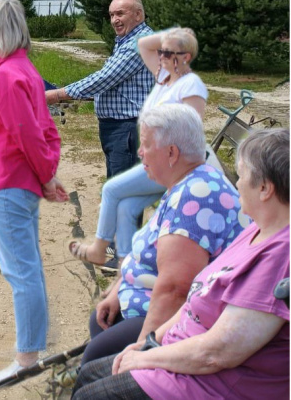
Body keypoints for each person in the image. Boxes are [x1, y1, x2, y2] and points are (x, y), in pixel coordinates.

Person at [72, 128, 289, 400]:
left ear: (265, 188)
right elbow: (195, 297)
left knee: (90, 394)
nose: (237, 183)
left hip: (214, 383)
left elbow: (216, 353)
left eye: (242, 175)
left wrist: (147, 358)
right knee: (88, 374)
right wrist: (148, 344)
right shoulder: (258, 228)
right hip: (185, 351)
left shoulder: (279, 258)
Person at [79, 103, 248, 366]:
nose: (139, 152)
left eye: (146, 145)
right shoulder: (188, 181)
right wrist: (118, 291)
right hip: (150, 303)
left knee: (94, 358)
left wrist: (145, 350)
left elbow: (175, 289)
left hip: (183, 320)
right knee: (101, 327)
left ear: (171, 153)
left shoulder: (197, 196)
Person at [0, 0, 68, 385]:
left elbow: (28, 133)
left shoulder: (8, 75)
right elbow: (44, 128)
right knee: (29, 268)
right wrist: (47, 174)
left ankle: (26, 359)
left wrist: (46, 176)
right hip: (16, 181)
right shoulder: (20, 68)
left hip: (9, 183)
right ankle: (33, 348)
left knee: (21, 272)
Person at [68, 28, 209, 266]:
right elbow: (143, 43)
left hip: (175, 166)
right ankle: (126, 263)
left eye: (168, 53)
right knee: (126, 206)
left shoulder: (190, 85)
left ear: (184, 57)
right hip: (156, 159)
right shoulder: (165, 79)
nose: (160, 56)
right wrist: (173, 34)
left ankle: (98, 250)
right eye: (161, 51)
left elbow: (191, 132)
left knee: (112, 190)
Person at [45, 0, 154, 179]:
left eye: (120, 14)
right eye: (111, 15)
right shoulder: (128, 40)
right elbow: (117, 84)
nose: (114, 20)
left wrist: (54, 95)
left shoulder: (139, 42)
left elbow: (104, 78)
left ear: (138, 15)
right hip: (121, 129)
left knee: (124, 194)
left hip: (128, 129)